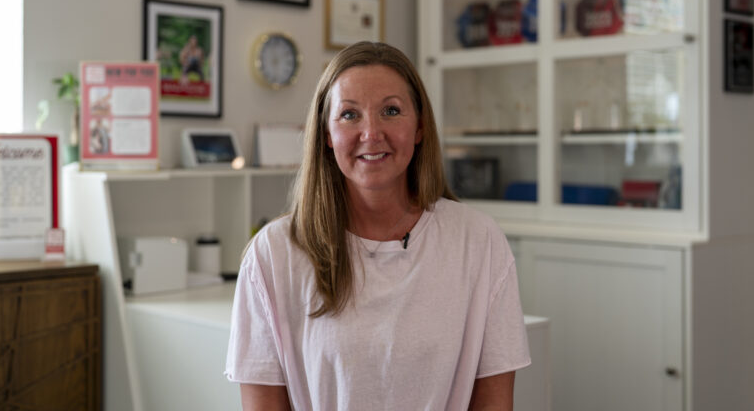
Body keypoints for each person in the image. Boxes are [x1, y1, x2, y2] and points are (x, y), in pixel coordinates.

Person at [225, 41, 530, 410]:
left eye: (390, 110)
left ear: (419, 127)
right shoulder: (274, 253)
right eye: (350, 115)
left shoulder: (478, 241)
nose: (371, 133)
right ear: (325, 134)